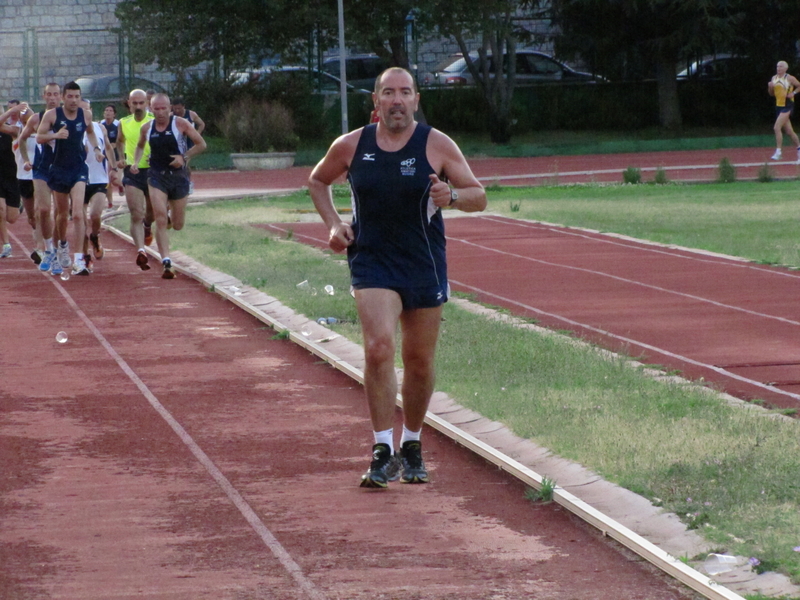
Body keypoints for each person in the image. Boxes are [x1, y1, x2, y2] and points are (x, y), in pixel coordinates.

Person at [308, 67, 487, 488]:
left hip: (422, 262)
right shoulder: (352, 145)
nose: (396, 100)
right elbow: (317, 180)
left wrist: (453, 196)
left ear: (416, 100)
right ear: (376, 101)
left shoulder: (436, 143)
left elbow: (478, 195)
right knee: (378, 347)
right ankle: (381, 448)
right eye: (388, 93)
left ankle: (412, 442)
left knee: (419, 362)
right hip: (372, 260)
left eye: (404, 93)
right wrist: (334, 225)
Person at [131, 93, 206, 279]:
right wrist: (136, 161)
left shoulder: (180, 124)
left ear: (170, 108)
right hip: (156, 176)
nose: (160, 112)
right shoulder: (147, 128)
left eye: (163, 108)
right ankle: (167, 262)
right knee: (160, 217)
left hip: (179, 177)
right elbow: (140, 146)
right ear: (151, 108)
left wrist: (184, 157)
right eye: (156, 108)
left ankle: (173, 218)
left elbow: (201, 144)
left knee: (178, 224)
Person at [37, 81, 103, 276]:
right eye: (70, 97)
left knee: (77, 213)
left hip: (78, 169)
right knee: (61, 215)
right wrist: (56, 135)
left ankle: (79, 259)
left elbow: (90, 132)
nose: (74, 100)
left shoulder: (86, 115)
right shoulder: (52, 115)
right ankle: (62, 244)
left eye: (77, 97)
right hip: (58, 169)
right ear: (63, 97)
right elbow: (40, 137)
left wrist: (97, 149)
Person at [18, 82, 61, 272]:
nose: (52, 98)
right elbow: (21, 139)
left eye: (55, 94)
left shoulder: (68, 117)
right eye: (49, 94)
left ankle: (61, 250)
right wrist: (27, 160)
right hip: (41, 168)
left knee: (60, 214)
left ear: (60, 97)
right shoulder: (36, 119)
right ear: (44, 97)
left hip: (63, 168)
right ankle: (49, 248)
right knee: (43, 210)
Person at [117, 89, 155, 270]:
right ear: (129, 104)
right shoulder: (124, 123)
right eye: (135, 103)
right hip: (132, 171)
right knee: (136, 213)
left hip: (154, 171)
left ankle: (148, 225)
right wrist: (121, 156)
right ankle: (141, 251)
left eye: (142, 103)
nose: (138, 107)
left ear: (147, 103)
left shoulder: (155, 122)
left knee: (152, 212)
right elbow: (119, 141)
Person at [80, 100, 117, 267]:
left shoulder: (99, 128)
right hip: (78, 179)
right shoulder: (70, 128)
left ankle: (95, 236)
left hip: (99, 179)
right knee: (79, 219)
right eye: (80, 109)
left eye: (86, 109)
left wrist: (114, 166)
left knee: (95, 215)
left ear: (91, 111)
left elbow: (108, 147)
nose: (84, 112)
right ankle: (84, 254)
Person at [8, 102, 43, 263]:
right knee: (32, 218)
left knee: (41, 210)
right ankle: (40, 239)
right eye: (22, 115)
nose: (25, 118)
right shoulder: (17, 131)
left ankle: (41, 248)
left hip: (41, 176)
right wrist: (11, 112)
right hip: (23, 177)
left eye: (28, 114)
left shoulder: (43, 131)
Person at [0, 102, 23, 258]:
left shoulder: (11, 130)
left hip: (12, 176)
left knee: (12, 218)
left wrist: (11, 112)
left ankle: (19, 205)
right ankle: (6, 244)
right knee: (0, 211)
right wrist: (11, 111)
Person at [170, 98, 205, 194]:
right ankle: (180, 183)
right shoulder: (171, 115)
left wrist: (197, 134)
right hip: (177, 143)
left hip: (189, 143)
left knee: (185, 163)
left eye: (179, 109)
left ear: (183, 106)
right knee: (180, 165)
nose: (177, 111)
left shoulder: (191, 114)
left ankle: (187, 184)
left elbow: (201, 124)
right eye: (175, 109)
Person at [768, 60, 800, 161]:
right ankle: (799, 148)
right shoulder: (774, 78)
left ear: (786, 68)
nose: (778, 68)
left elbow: (799, 86)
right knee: (790, 132)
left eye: (781, 66)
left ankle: (778, 152)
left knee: (776, 127)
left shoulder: (789, 78)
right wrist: (770, 87)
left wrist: (793, 93)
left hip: (788, 105)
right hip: (779, 106)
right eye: (777, 66)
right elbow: (771, 94)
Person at [102, 103, 120, 208]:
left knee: (115, 179)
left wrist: (115, 144)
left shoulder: (118, 125)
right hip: (106, 155)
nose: (108, 113)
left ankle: (121, 185)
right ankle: (110, 202)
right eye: (106, 110)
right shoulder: (101, 124)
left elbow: (122, 140)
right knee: (107, 179)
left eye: (110, 111)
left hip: (117, 155)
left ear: (114, 114)